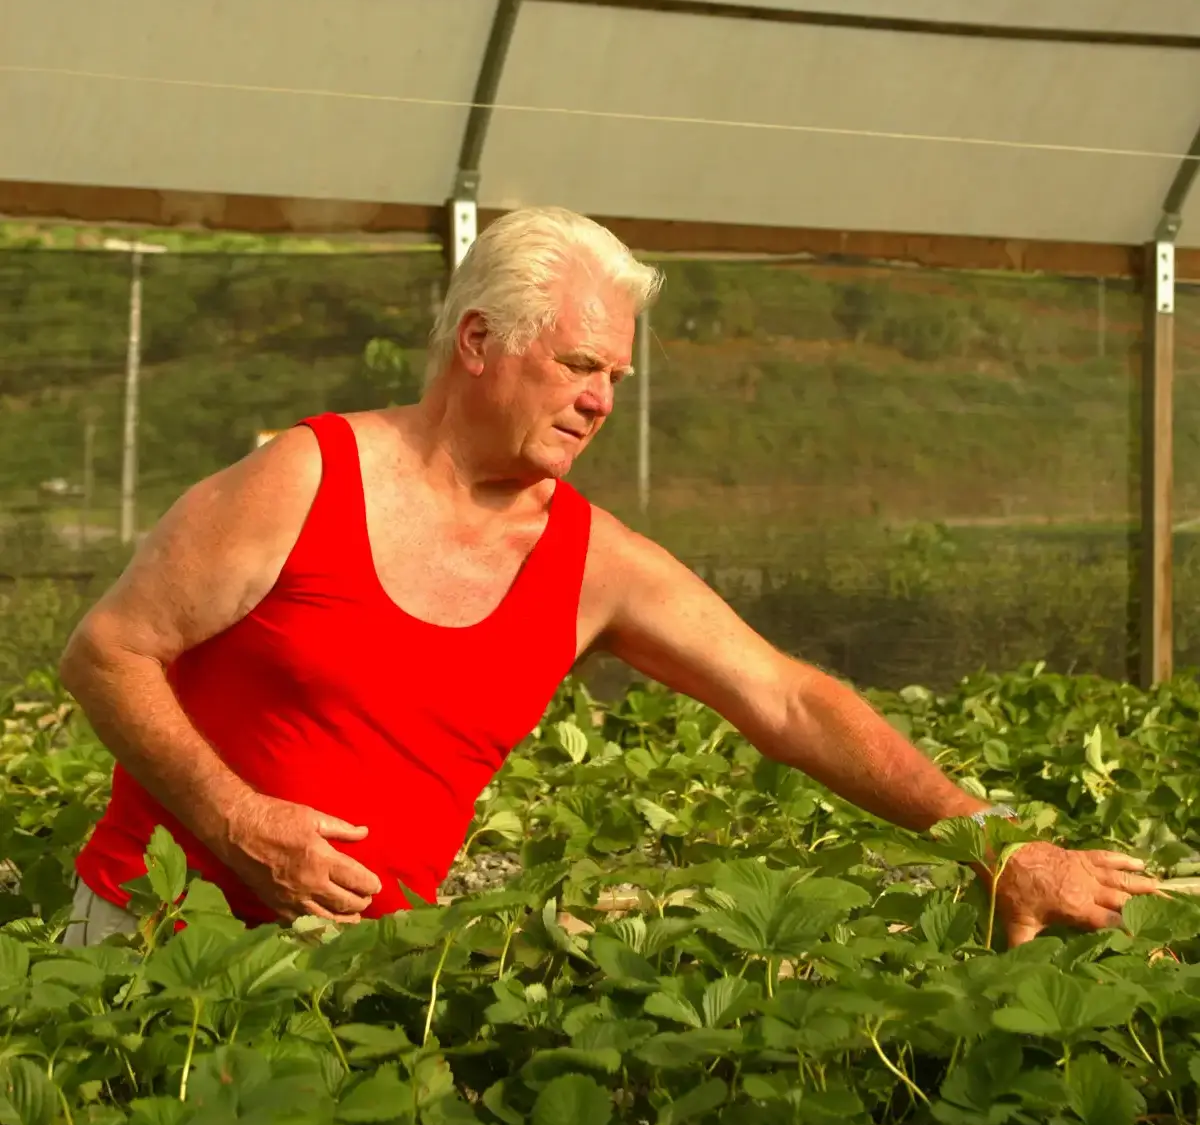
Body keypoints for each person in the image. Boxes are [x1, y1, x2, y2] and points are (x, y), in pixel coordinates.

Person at [61, 207, 1155, 948]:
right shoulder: (305, 480)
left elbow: (790, 699)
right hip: (152, 944)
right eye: (579, 365)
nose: (601, 401)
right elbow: (106, 652)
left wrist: (995, 841)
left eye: (615, 375)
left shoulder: (595, 565)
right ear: (480, 342)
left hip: (375, 970)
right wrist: (234, 819)